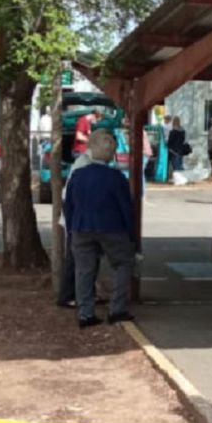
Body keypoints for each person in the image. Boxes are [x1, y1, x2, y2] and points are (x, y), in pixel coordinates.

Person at [64, 129, 136, 328]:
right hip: (111, 227)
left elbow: (68, 205)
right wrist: (131, 235)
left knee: (84, 270)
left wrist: (71, 228)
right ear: (111, 152)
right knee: (123, 264)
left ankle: (85, 313)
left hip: (80, 227)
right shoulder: (116, 177)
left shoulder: (77, 175)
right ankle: (117, 309)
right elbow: (126, 208)